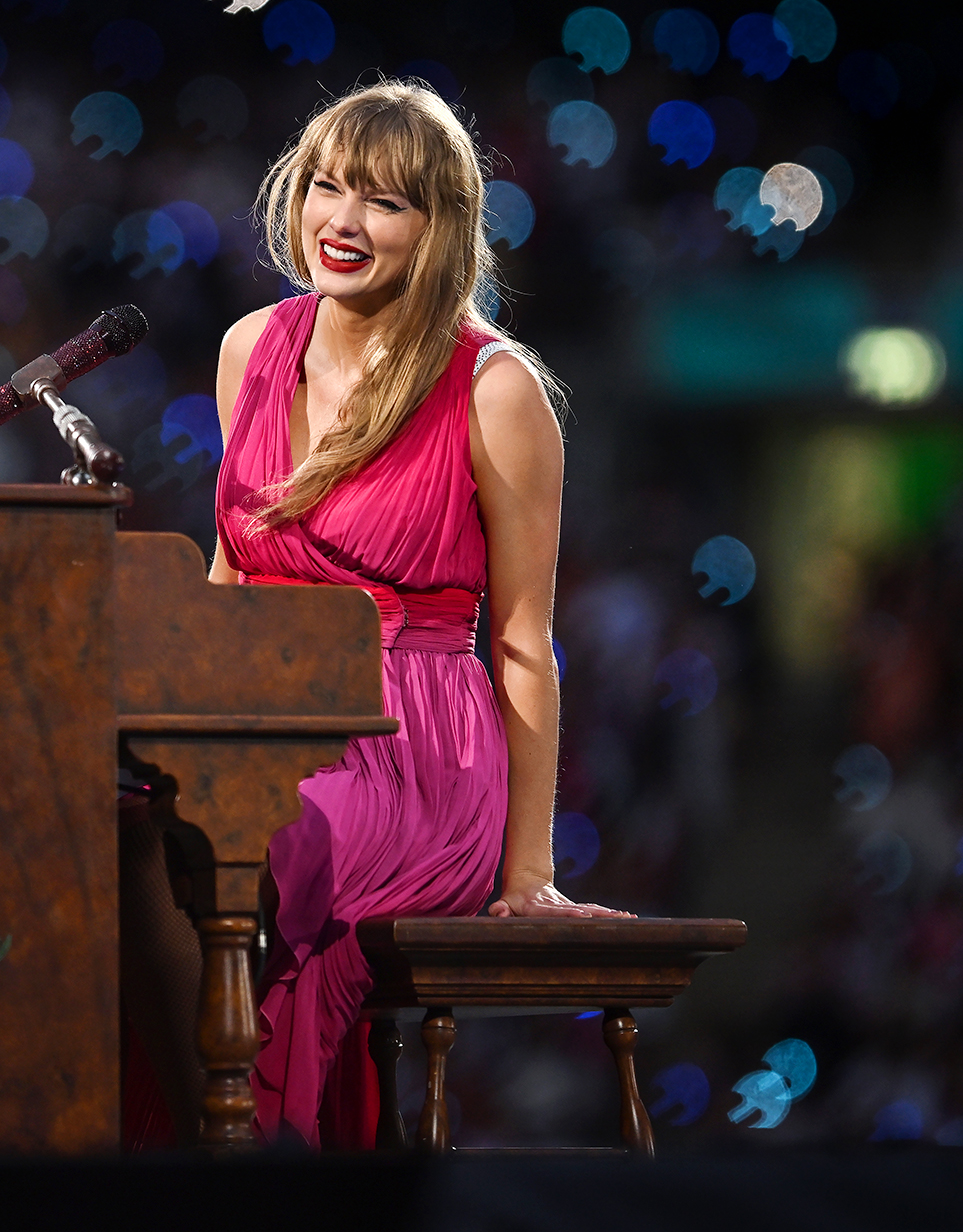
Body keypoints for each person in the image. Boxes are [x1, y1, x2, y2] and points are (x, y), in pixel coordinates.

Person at [209, 80, 630, 1149]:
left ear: (440, 225)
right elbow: (227, 574)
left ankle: (264, 1155)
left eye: (383, 202)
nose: (340, 222)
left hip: (413, 747)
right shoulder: (247, 348)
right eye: (325, 186)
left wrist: (525, 871)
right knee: (127, 841)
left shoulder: (494, 389)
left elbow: (524, 642)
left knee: (261, 849)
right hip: (261, 715)